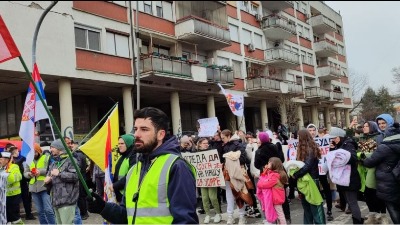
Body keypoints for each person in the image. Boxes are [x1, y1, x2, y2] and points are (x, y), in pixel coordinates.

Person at [87, 107, 199, 224]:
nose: (136, 134)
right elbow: (128, 215)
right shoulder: (134, 170)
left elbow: (186, 221)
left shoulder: (176, 166)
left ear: (160, 134)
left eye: (144, 129)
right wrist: (103, 208)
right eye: (135, 129)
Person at [363, 122, 400, 224]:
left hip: (389, 184)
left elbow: (369, 162)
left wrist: (364, 158)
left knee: (393, 209)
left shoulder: (384, 147)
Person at [329, 127, 362, 224]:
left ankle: (357, 222)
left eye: (334, 138)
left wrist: (340, 155)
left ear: (339, 137)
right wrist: (333, 149)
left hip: (350, 178)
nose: (333, 140)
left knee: (352, 203)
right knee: (350, 202)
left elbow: (353, 158)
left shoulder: (348, 144)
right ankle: (357, 220)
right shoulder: (341, 144)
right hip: (344, 178)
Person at [292, 129, 326, 224]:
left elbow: (307, 166)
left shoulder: (310, 149)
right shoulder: (301, 149)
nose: (297, 138)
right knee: (307, 208)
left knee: (315, 206)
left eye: (298, 136)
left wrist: (295, 174)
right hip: (303, 181)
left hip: (312, 181)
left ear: (302, 137)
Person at [358, 121, 387, 223]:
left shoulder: (379, 137)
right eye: (364, 126)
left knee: (376, 194)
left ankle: (382, 216)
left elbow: (380, 153)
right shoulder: (361, 138)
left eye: (367, 126)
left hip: (376, 168)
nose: (364, 128)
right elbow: (358, 149)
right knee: (367, 194)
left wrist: (369, 158)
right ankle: (372, 215)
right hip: (364, 168)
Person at [44, 139, 79, 225]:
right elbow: (49, 178)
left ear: (59, 148)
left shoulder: (71, 160)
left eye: (53, 147)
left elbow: (75, 176)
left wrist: (60, 174)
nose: (51, 150)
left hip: (67, 200)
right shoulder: (54, 163)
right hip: (56, 201)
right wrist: (47, 181)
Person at [221, 129, 251, 225]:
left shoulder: (238, 145)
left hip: (238, 173)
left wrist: (231, 157)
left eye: (223, 138)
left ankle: (242, 216)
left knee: (240, 195)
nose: (223, 140)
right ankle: (230, 216)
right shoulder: (225, 146)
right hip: (228, 173)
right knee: (229, 195)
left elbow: (244, 159)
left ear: (229, 136)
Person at [23, 143, 55, 225]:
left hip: (45, 187)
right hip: (34, 188)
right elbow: (25, 173)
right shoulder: (28, 160)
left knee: (48, 210)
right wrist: (29, 174)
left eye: (35, 153)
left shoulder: (46, 158)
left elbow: (51, 170)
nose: (33, 155)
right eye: (32, 153)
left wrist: (40, 172)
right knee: (40, 211)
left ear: (38, 151)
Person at [197, 138, 222, 224]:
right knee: (204, 198)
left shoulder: (212, 151)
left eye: (207, 143)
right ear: (199, 144)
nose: (206, 144)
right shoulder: (196, 153)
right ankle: (207, 214)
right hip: (202, 179)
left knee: (213, 197)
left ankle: (218, 213)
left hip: (211, 178)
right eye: (204, 143)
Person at [7, 145, 36, 220]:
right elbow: (16, 164)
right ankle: (18, 216)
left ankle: (28, 214)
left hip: (23, 182)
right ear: (13, 153)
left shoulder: (20, 159)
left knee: (26, 199)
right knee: (17, 202)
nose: (18, 152)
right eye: (17, 151)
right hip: (17, 185)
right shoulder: (11, 161)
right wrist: (24, 155)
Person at [257, 157, 288, 225]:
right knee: (278, 214)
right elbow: (266, 177)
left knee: (280, 214)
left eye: (269, 162)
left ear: (274, 164)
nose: (267, 164)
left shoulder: (275, 176)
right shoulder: (274, 174)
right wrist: (266, 170)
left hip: (276, 199)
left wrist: (259, 183)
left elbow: (266, 184)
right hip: (275, 198)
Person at [112, 134, 137, 203]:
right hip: (120, 195)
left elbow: (130, 176)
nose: (119, 145)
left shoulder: (133, 157)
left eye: (122, 143)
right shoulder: (122, 157)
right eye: (119, 143)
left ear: (129, 144)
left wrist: (114, 186)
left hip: (127, 195)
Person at [0, 151, 23, 224]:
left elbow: (13, 179)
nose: (0, 160)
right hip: (3, 196)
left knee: (14, 217)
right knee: (5, 217)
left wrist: (5, 173)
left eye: (1, 159)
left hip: (13, 196)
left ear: (7, 160)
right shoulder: (1, 168)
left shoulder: (14, 167)